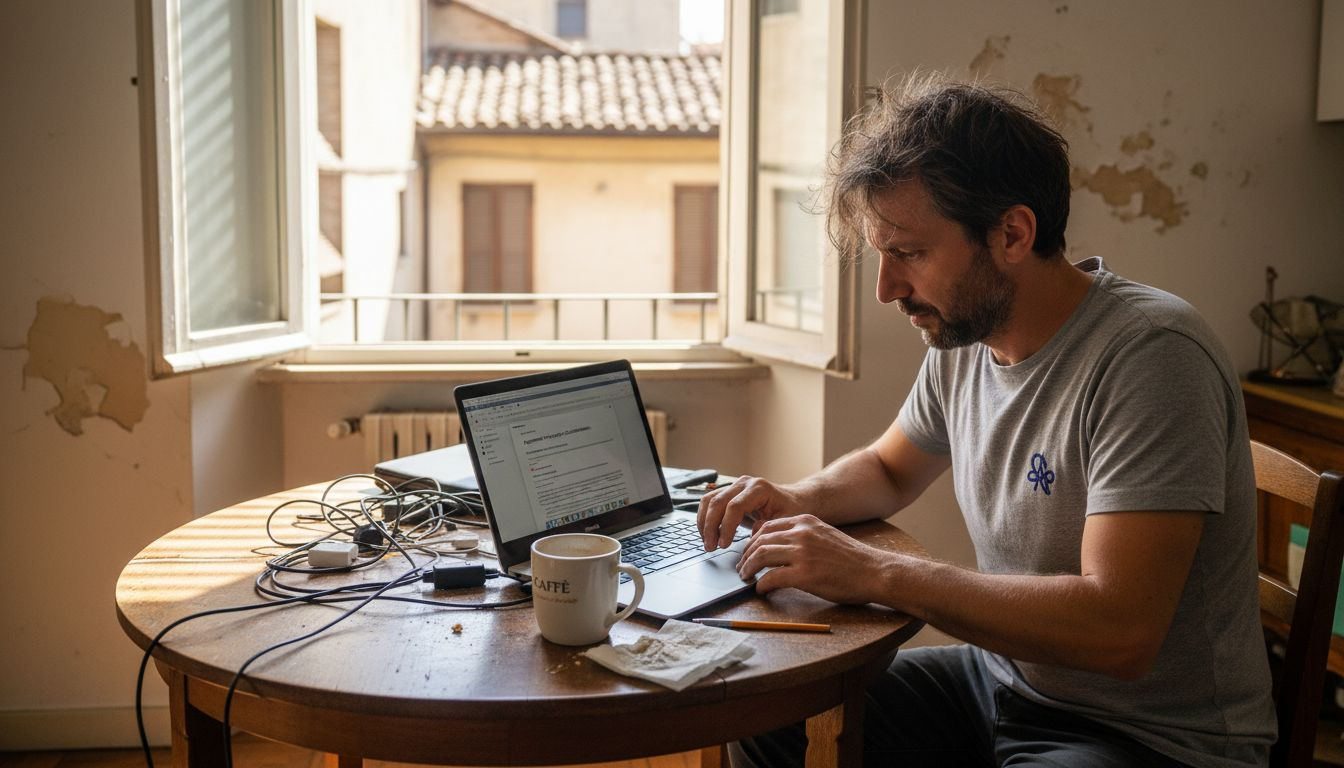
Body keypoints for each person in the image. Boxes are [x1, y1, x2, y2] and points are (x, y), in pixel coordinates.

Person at [697, 74, 1275, 768]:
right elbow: (887, 468)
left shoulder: (1152, 357)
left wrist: (875, 573)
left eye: (908, 253)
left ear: (1012, 233)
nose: (887, 290)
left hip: (1148, 737)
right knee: (772, 713)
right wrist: (798, 499)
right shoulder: (967, 337)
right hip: (1005, 681)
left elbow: (1120, 631)